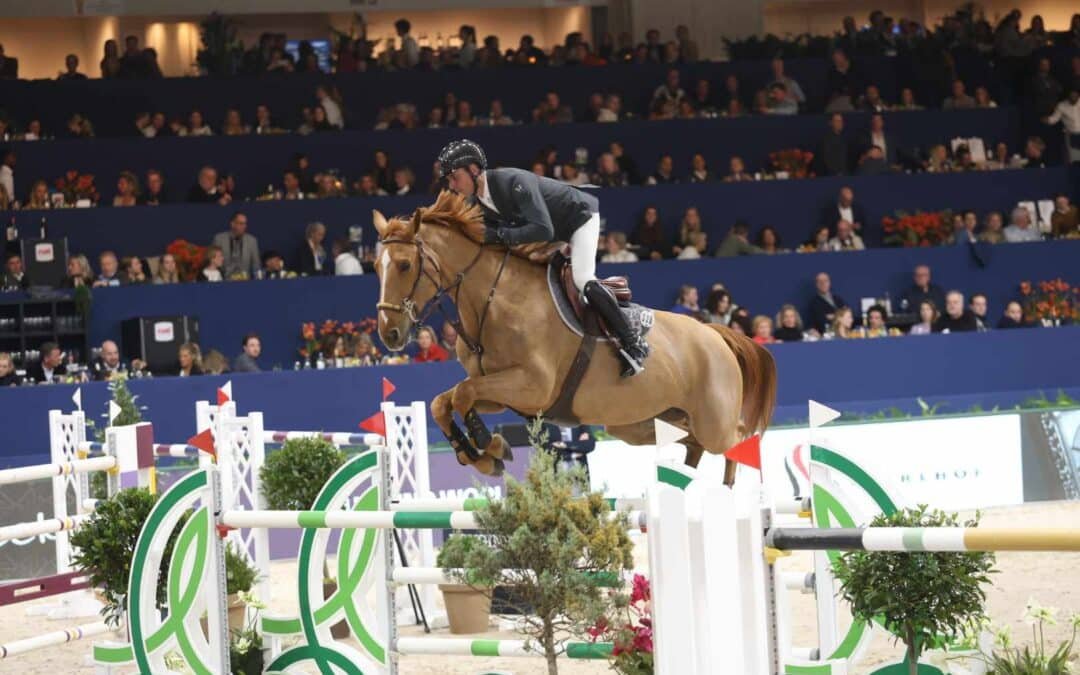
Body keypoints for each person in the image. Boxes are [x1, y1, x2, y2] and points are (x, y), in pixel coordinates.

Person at [438, 139, 647, 376]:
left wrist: (500, 235)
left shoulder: (513, 182)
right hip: (554, 232)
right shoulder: (477, 202)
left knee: (582, 279)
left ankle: (633, 341)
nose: (452, 185)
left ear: (474, 170)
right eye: (449, 180)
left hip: (578, 219)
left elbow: (542, 229)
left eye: (454, 177)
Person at [211, 212, 260, 279]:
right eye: (241, 223)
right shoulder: (219, 239)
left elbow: (256, 265)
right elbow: (212, 262)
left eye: (245, 224)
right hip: (223, 281)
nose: (244, 226)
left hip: (245, 281)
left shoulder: (252, 241)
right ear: (232, 224)